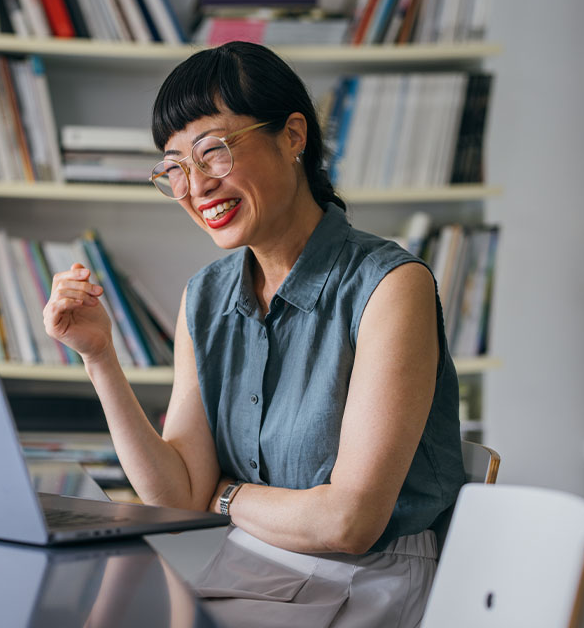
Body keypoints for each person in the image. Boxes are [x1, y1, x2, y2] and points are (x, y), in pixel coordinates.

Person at [43, 41, 465, 627]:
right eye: (175, 168)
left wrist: (223, 495)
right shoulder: (207, 295)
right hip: (238, 563)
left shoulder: (392, 287)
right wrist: (99, 357)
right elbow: (175, 499)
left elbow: (348, 524)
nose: (195, 187)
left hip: (364, 580)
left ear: (294, 136)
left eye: (213, 152)